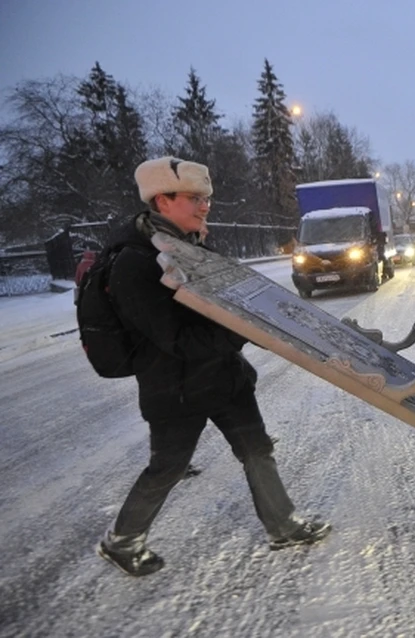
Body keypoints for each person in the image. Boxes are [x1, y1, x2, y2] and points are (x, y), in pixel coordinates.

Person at [96, 156, 330, 577]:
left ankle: (283, 525)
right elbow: (176, 339)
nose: (205, 206)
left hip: (223, 377)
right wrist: (243, 329)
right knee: (168, 466)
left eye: (206, 198)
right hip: (175, 389)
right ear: (161, 200)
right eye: (194, 198)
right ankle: (123, 540)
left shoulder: (190, 244)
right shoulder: (134, 262)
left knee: (257, 448)